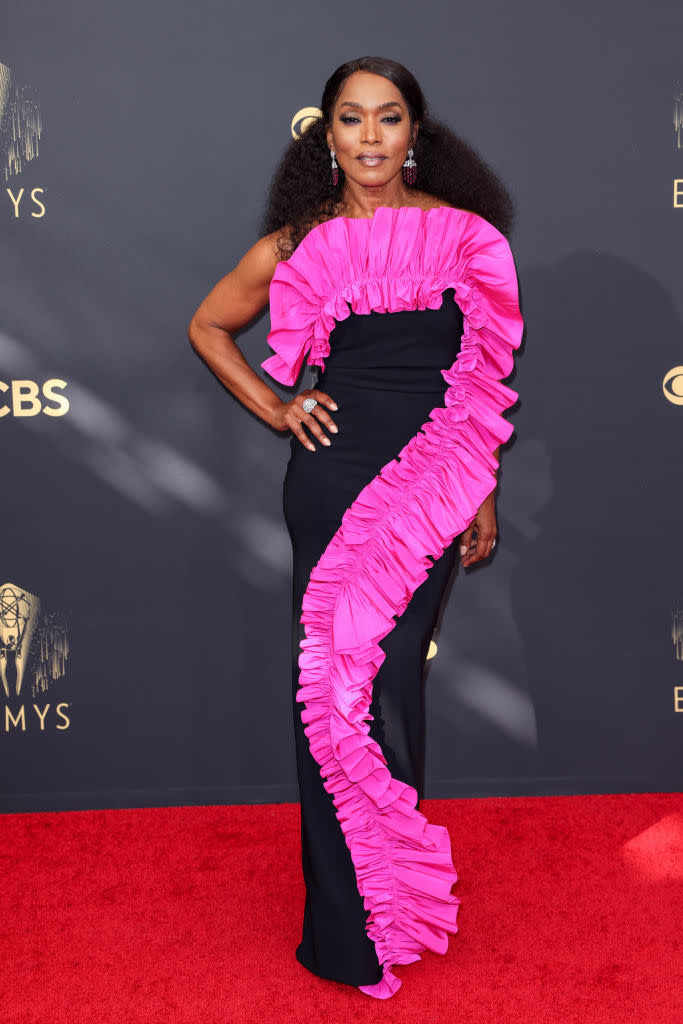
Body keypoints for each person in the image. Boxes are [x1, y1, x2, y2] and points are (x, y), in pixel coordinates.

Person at [188, 55, 524, 1000]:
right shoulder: (295, 243)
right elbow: (209, 327)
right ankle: (345, 930)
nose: (370, 137)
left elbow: (480, 380)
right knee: (334, 689)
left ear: (415, 132)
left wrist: (480, 487)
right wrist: (277, 405)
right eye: (350, 119)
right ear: (325, 135)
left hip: (432, 477)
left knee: (388, 697)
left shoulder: (467, 238)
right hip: (333, 481)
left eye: (387, 118)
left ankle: (391, 901)